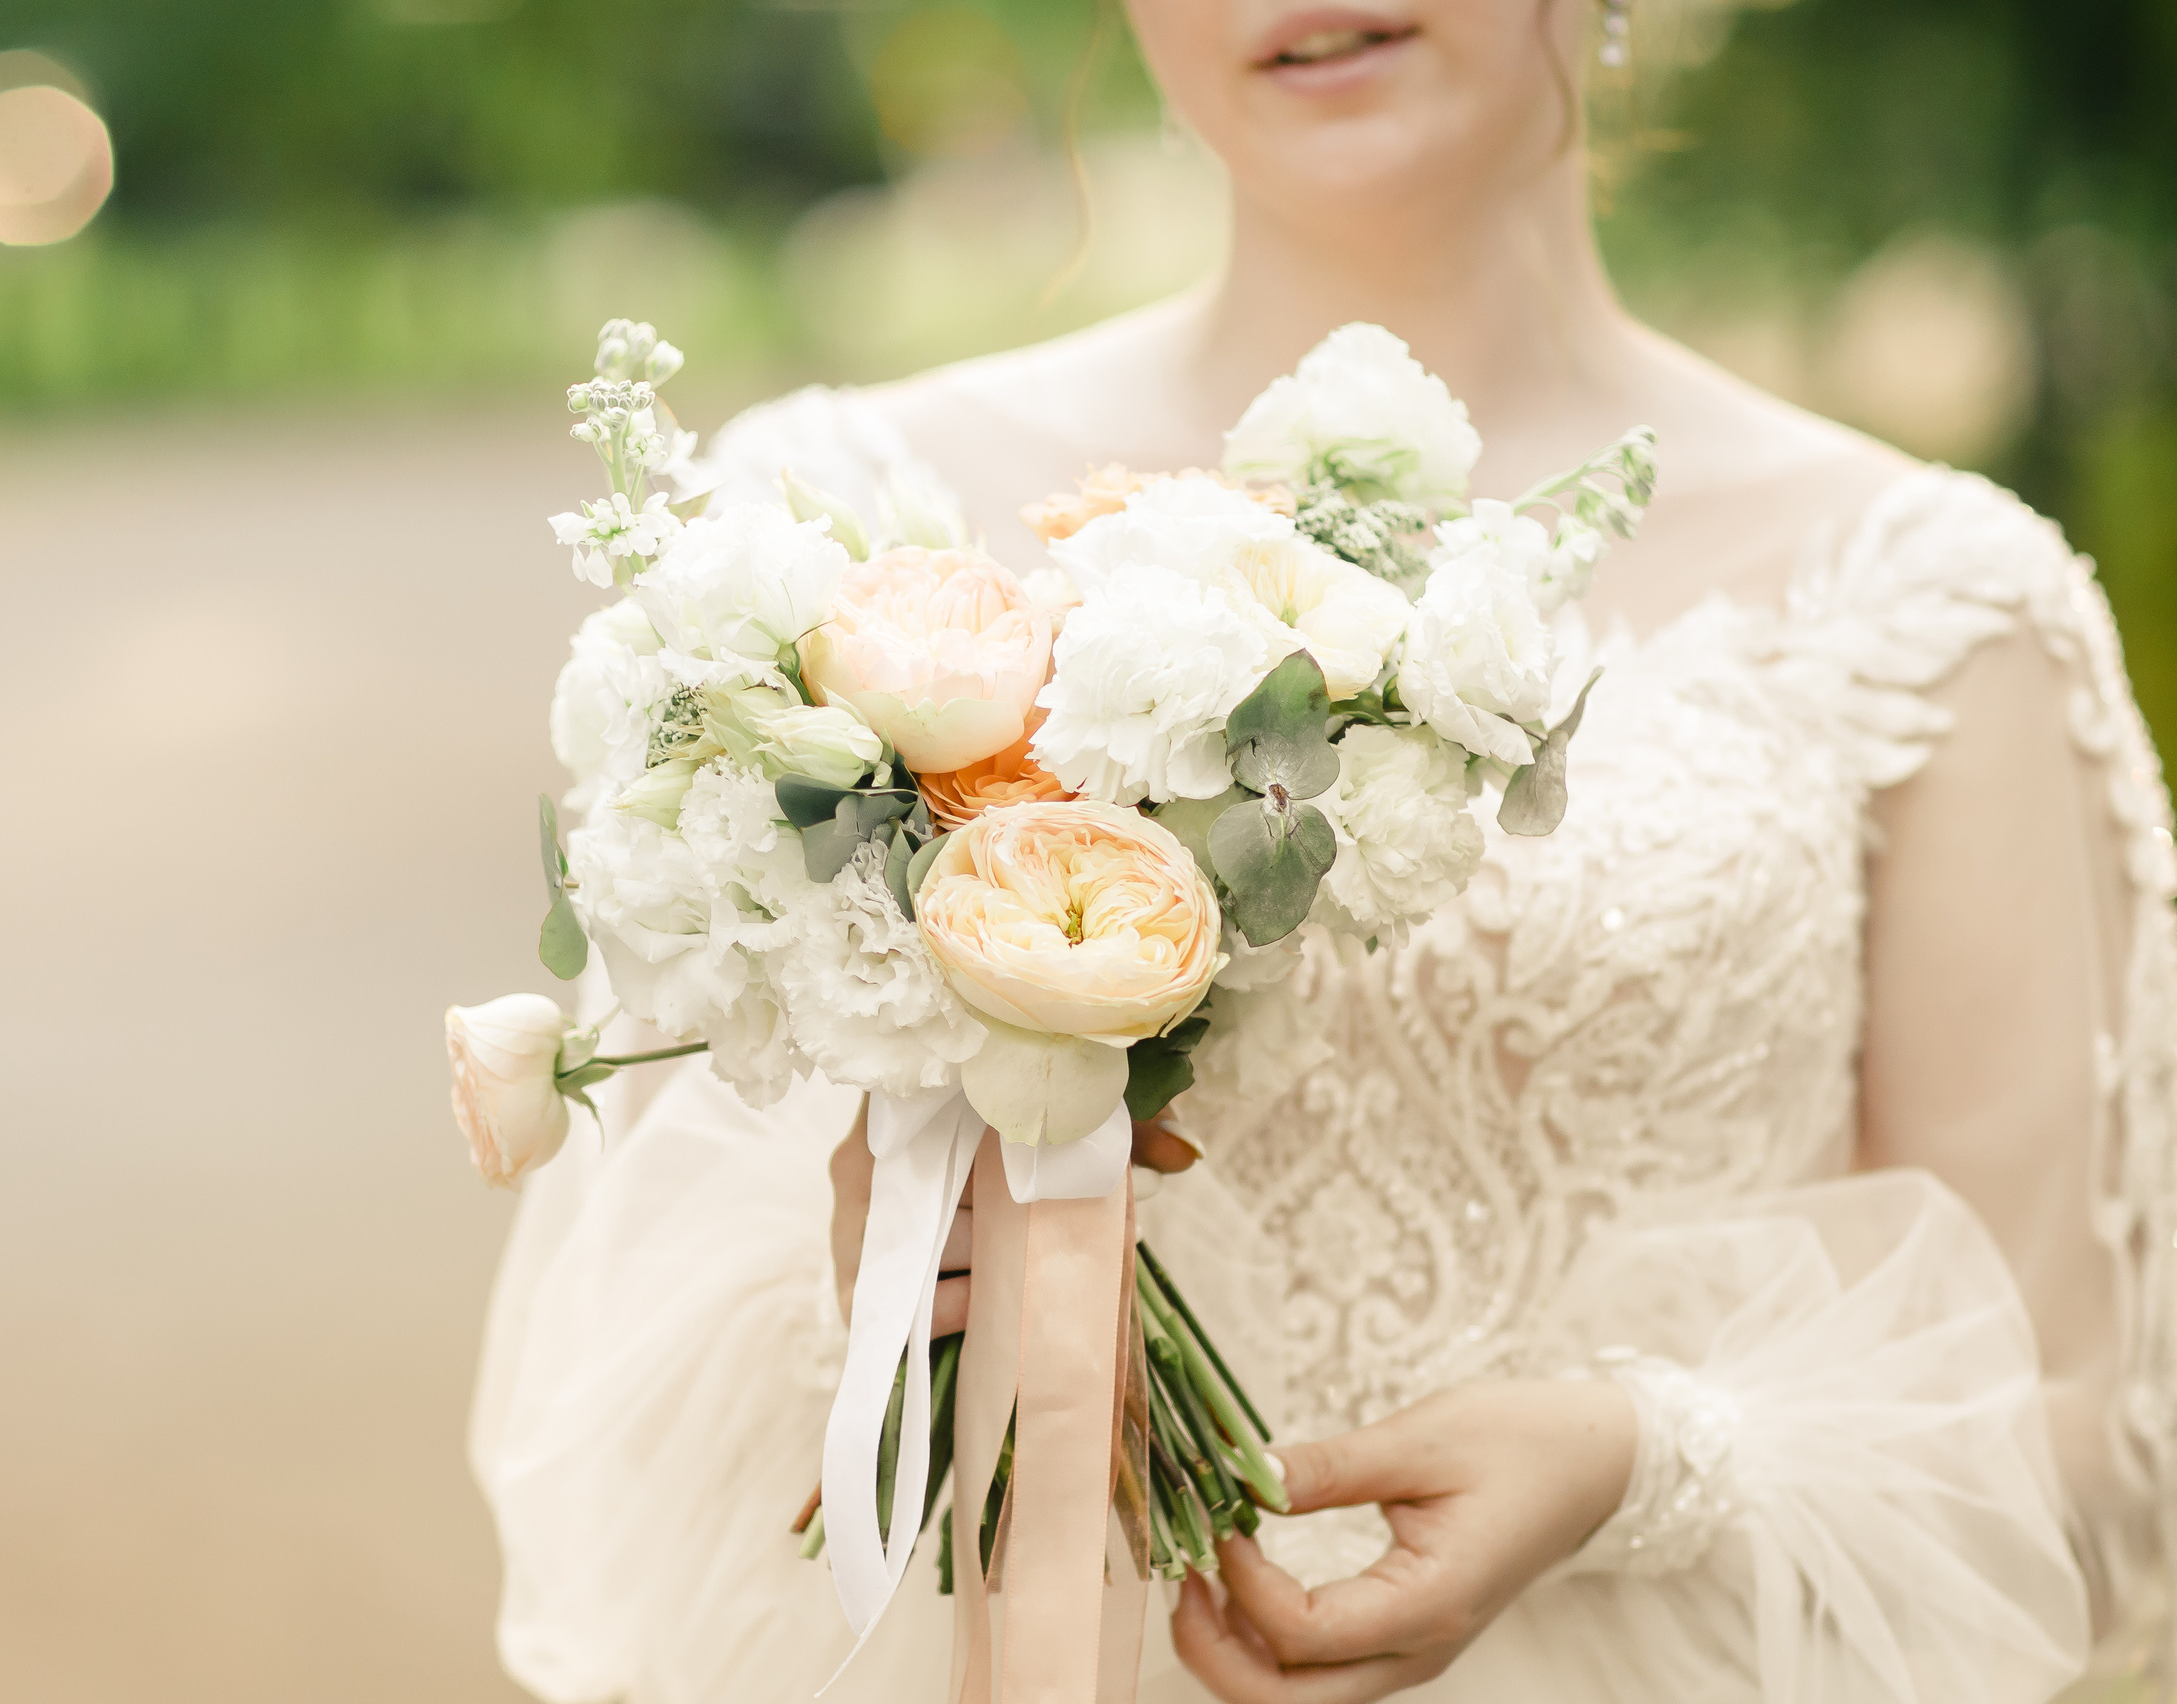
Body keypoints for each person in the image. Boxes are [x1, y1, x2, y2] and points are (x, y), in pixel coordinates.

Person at [474, 4, 2177, 1699]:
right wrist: (884, 1294)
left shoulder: (1939, 609)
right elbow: (641, 1404)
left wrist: (1644, 1467)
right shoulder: (834, 540)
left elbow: (2084, 1477)